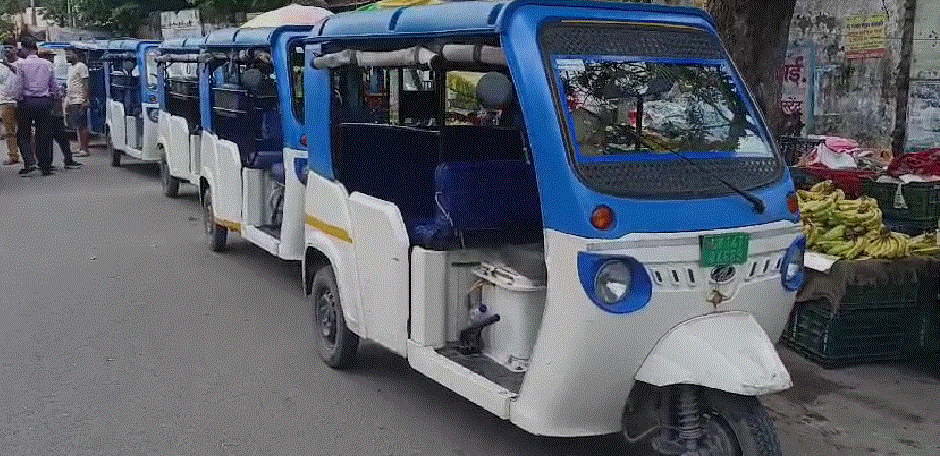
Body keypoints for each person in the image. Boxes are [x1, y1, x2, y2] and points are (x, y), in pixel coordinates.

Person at [11, 36, 60, 176]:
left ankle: (29, 162)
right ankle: (45, 166)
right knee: (44, 135)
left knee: (23, 134)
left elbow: (18, 84)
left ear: (25, 49)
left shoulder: (21, 65)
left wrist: (16, 97)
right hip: (44, 102)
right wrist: (55, 96)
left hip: (26, 102)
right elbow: (54, 85)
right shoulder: (47, 64)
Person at [39, 49, 80, 169]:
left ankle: (47, 163)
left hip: (46, 108)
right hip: (51, 108)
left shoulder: (45, 69)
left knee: (49, 137)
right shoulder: (47, 69)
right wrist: (59, 94)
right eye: (49, 57)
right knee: (58, 137)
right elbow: (54, 89)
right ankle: (64, 160)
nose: (51, 59)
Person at [66, 50, 90, 157]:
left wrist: (85, 99)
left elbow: (85, 83)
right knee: (77, 124)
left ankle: (84, 149)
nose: (67, 56)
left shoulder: (82, 66)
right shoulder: (71, 67)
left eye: (69, 53)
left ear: (76, 55)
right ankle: (81, 147)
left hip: (79, 99)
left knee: (82, 124)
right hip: (72, 99)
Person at [0, 48, 20, 165]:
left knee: (24, 130)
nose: (8, 52)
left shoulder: (21, 64)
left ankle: (30, 157)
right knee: (9, 131)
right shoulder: (1, 67)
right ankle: (13, 155)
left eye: (10, 49)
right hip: (6, 101)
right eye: (6, 50)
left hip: (20, 101)